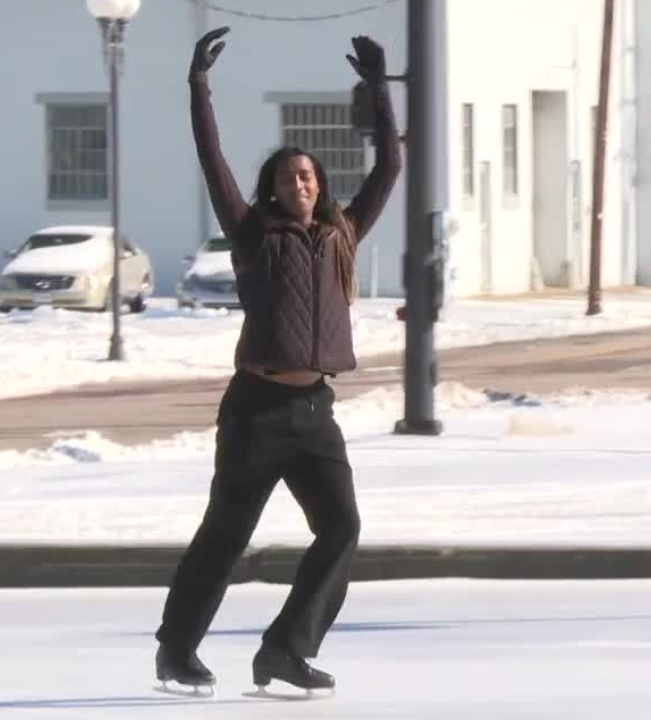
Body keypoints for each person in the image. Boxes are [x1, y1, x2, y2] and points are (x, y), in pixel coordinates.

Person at [153, 27, 401, 692]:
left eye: (309, 174)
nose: (302, 182)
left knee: (341, 528)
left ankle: (285, 650)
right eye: (290, 176)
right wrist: (198, 85)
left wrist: (379, 88)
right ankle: (176, 650)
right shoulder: (252, 234)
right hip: (256, 412)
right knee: (227, 535)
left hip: (316, 410)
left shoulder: (342, 234)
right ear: (272, 187)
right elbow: (213, 161)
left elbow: (389, 169)